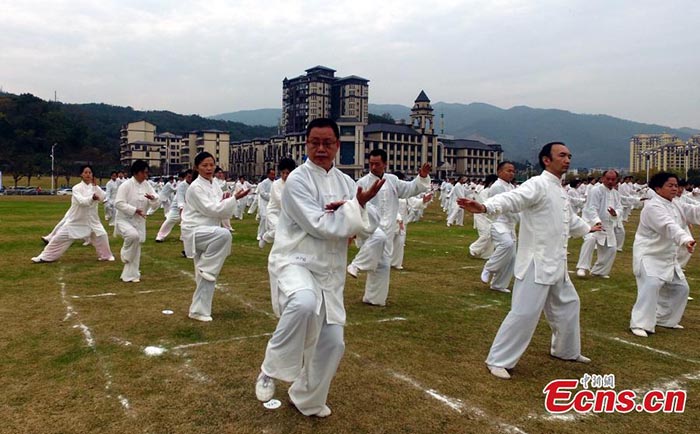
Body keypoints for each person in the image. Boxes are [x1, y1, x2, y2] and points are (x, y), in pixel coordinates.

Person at [255, 118, 382, 417]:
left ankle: (306, 398)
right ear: (307, 144)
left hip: (330, 270)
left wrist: (358, 208)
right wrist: (351, 213)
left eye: (328, 143)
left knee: (333, 342)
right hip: (295, 260)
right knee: (302, 303)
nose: (321, 149)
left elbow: (370, 223)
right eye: (315, 143)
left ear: (338, 145)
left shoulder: (346, 182)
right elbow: (318, 225)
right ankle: (269, 368)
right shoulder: (297, 180)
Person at [458, 142, 601, 380]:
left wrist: (588, 228)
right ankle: (498, 360)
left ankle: (566, 351)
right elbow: (511, 200)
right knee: (524, 313)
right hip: (537, 262)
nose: (567, 160)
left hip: (556, 262)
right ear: (546, 160)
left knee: (569, 305)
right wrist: (485, 207)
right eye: (562, 155)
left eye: (569, 156)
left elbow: (569, 220)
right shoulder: (538, 184)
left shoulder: (559, 189)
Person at [347, 149, 431, 306]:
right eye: (371, 164)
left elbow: (410, 188)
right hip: (369, 228)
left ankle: (374, 299)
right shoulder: (362, 183)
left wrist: (423, 176)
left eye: (377, 164)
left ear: (385, 164)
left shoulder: (392, 180)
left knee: (383, 265)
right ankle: (356, 265)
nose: (373, 167)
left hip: (388, 228)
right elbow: (354, 206)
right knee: (378, 237)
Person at [629, 172, 700, 337]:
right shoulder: (652, 206)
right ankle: (639, 323)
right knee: (651, 286)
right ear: (658, 188)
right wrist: (685, 239)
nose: (675, 188)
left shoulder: (676, 204)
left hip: (667, 257)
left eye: (676, 185)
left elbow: (694, 212)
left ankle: (665, 319)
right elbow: (668, 226)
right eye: (670, 185)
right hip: (649, 255)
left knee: (681, 289)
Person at [181, 153, 249, 322]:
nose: (209, 168)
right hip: (195, 231)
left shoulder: (215, 185)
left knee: (206, 276)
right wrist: (233, 198)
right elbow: (213, 209)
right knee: (225, 236)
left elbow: (219, 207)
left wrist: (225, 199)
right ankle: (207, 267)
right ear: (197, 167)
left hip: (210, 231)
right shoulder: (195, 187)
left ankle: (199, 311)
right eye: (205, 165)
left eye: (211, 165)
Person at [32, 165, 115, 263]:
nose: (88, 174)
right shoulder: (76, 188)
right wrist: (92, 198)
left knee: (102, 236)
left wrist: (96, 187)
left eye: (90, 173)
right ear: (81, 174)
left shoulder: (95, 187)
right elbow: (82, 202)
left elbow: (103, 198)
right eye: (86, 172)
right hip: (76, 221)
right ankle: (45, 257)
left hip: (93, 221)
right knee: (58, 238)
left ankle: (106, 256)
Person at [114, 160, 160, 283]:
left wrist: (153, 199)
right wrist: (134, 210)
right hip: (124, 219)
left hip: (139, 221)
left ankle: (130, 276)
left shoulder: (147, 185)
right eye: (144, 173)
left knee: (137, 246)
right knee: (132, 236)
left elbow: (155, 202)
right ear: (136, 172)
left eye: (147, 173)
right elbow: (118, 203)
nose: (146, 175)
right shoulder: (126, 185)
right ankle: (125, 254)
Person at [575, 170, 622, 278]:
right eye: (608, 179)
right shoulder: (596, 190)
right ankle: (582, 267)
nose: (610, 181)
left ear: (616, 180)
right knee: (590, 239)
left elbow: (620, 208)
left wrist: (616, 213)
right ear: (602, 178)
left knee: (611, 249)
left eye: (613, 179)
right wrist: (597, 221)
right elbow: (592, 208)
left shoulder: (616, 193)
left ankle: (599, 271)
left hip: (608, 224)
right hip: (591, 222)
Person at [480, 162, 518, 293]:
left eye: (513, 171)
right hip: (498, 222)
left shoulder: (511, 186)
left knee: (512, 256)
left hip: (510, 224)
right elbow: (501, 206)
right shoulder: (497, 187)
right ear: (499, 172)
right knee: (506, 245)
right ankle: (489, 267)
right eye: (508, 171)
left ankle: (499, 284)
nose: (511, 173)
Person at [259, 158, 297, 248]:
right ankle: (265, 237)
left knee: (287, 234)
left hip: (287, 214)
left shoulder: (294, 184)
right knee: (277, 230)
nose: (285, 175)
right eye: (283, 173)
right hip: (274, 212)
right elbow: (280, 201)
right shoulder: (276, 184)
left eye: (287, 173)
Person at [155, 170, 193, 243]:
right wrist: (181, 207)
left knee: (188, 222)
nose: (190, 178)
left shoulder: (194, 185)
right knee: (169, 220)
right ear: (185, 177)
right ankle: (160, 236)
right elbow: (180, 197)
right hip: (177, 207)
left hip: (189, 207)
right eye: (189, 177)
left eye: (192, 177)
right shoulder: (182, 185)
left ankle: (184, 237)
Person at [469, 174, 498, 259]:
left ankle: (487, 254)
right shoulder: (485, 192)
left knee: (492, 235)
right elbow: (484, 205)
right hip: (481, 216)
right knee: (485, 235)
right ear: (491, 183)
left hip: (490, 217)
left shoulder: (493, 192)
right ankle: (473, 249)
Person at [256, 169, 275, 242]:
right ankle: (259, 235)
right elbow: (262, 193)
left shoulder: (275, 183)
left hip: (272, 204)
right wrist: (272, 196)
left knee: (271, 219)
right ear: (268, 175)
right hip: (264, 203)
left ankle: (269, 235)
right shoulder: (263, 183)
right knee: (263, 218)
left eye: (274, 174)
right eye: (272, 174)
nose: (273, 176)